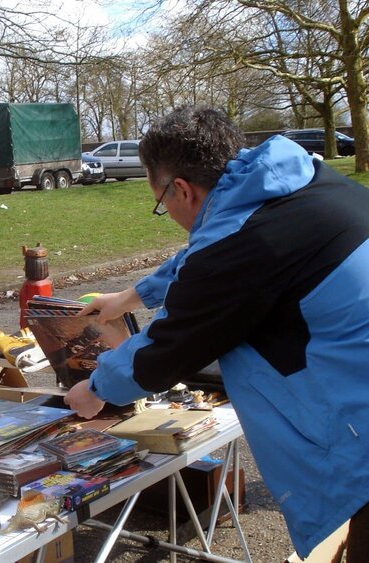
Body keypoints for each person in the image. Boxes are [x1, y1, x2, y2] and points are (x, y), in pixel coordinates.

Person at [64, 106, 369, 560]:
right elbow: (208, 254)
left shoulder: (246, 245)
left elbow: (168, 349)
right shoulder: (294, 183)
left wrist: (95, 389)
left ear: (181, 189)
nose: (167, 212)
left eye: (160, 203)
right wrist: (130, 297)